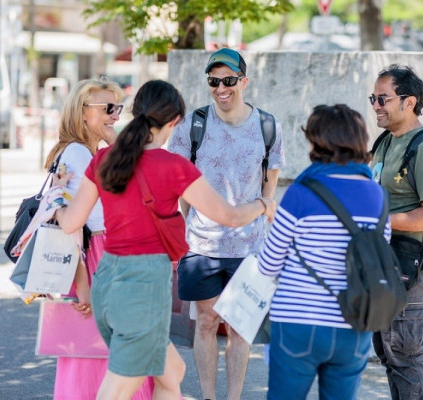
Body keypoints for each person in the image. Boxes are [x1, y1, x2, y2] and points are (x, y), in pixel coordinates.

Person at [55, 79, 276, 400]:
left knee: (172, 374)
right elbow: (227, 216)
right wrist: (263, 204)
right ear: (174, 121)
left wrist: (58, 201)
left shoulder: (105, 160)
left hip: (106, 281)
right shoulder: (172, 166)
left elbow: (70, 222)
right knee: (115, 391)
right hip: (142, 288)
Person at [167, 48, 285, 400]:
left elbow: (269, 183)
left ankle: (233, 397)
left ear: (243, 81)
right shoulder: (193, 125)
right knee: (204, 322)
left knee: (239, 327)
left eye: (229, 80)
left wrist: (259, 220)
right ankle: (208, 396)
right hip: (202, 246)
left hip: (250, 246)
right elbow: (180, 183)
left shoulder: (267, 125)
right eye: (214, 81)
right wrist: (190, 227)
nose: (222, 88)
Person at [257, 104, 383, 399]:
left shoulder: (301, 193)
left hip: (297, 321)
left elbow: (268, 264)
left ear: (319, 142)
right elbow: (377, 259)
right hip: (354, 323)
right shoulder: (378, 196)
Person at [44, 78, 154, 400]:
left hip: (100, 255)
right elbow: (70, 226)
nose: (114, 115)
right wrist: (82, 285)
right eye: (107, 108)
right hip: (94, 257)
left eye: (117, 108)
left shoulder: (91, 152)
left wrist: (112, 140)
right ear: (82, 113)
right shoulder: (78, 155)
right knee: (101, 351)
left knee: (95, 350)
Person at [369, 64, 423, 400]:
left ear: (409, 102)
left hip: (410, 265)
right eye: (373, 98)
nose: (375, 105)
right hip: (382, 260)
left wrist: (380, 219)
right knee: (388, 349)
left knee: (405, 350)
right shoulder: (385, 140)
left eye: (383, 99)